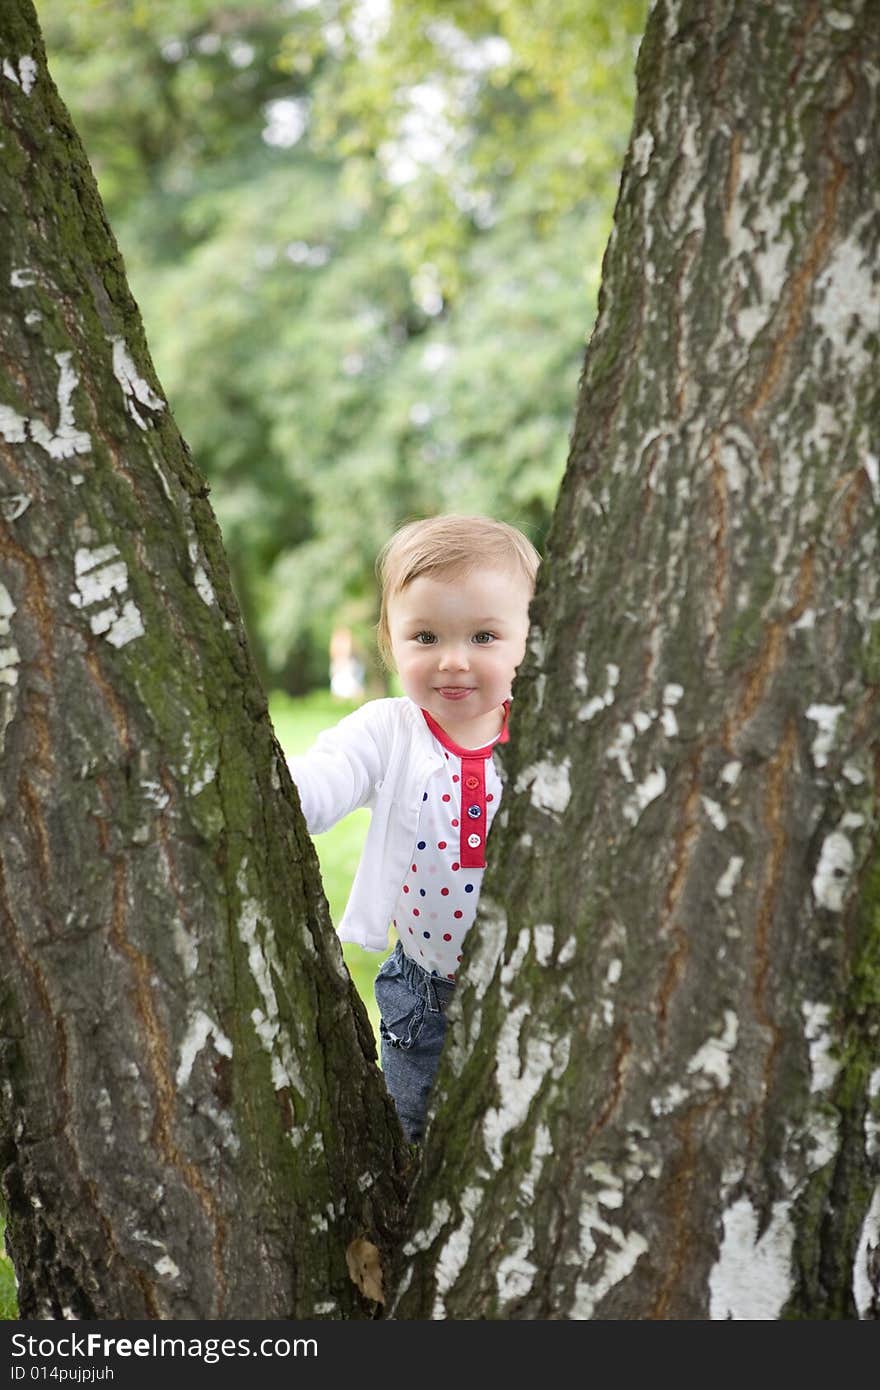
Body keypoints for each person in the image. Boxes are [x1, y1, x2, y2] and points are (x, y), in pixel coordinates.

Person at [287, 514, 540, 1142]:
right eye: (425, 636)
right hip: (424, 991)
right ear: (389, 641)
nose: (453, 662)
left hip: (528, 989)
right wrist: (286, 788)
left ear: (531, 640)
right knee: (413, 1133)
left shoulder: (547, 737)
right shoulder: (388, 730)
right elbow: (328, 776)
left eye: (484, 637)